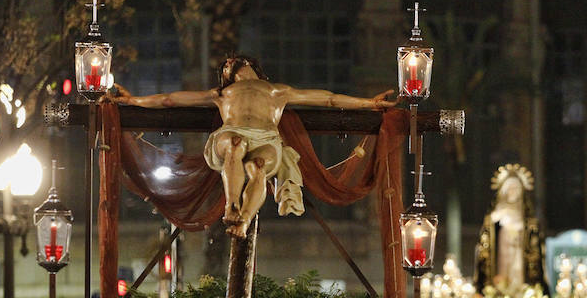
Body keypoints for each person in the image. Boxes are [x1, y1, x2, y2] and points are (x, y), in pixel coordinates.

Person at [114, 55, 396, 238]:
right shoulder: (222, 94)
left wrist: (369, 104)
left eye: (236, 60)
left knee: (258, 167)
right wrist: (135, 101)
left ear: (254, 66)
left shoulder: (277, 91)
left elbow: (329, 99)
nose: (230, 62)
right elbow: (170, 100)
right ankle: (233, 206)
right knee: (235, 146)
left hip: (267, 139)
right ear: (225, 75)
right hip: (231, 134)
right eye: (225, 64)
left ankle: (243, 221)